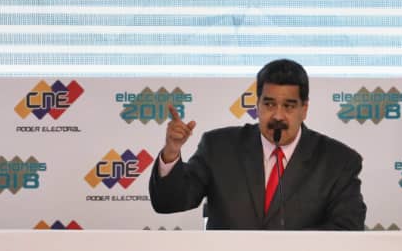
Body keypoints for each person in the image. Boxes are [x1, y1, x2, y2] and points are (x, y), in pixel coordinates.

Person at [149, 58, 366, 230]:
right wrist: (172, 151)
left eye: (289, 106)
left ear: (304, 109)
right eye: (269, 104)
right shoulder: (219, 148)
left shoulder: (338, 162)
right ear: (257, 105)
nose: (278, 115)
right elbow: (168, 202)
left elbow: (347, 227)